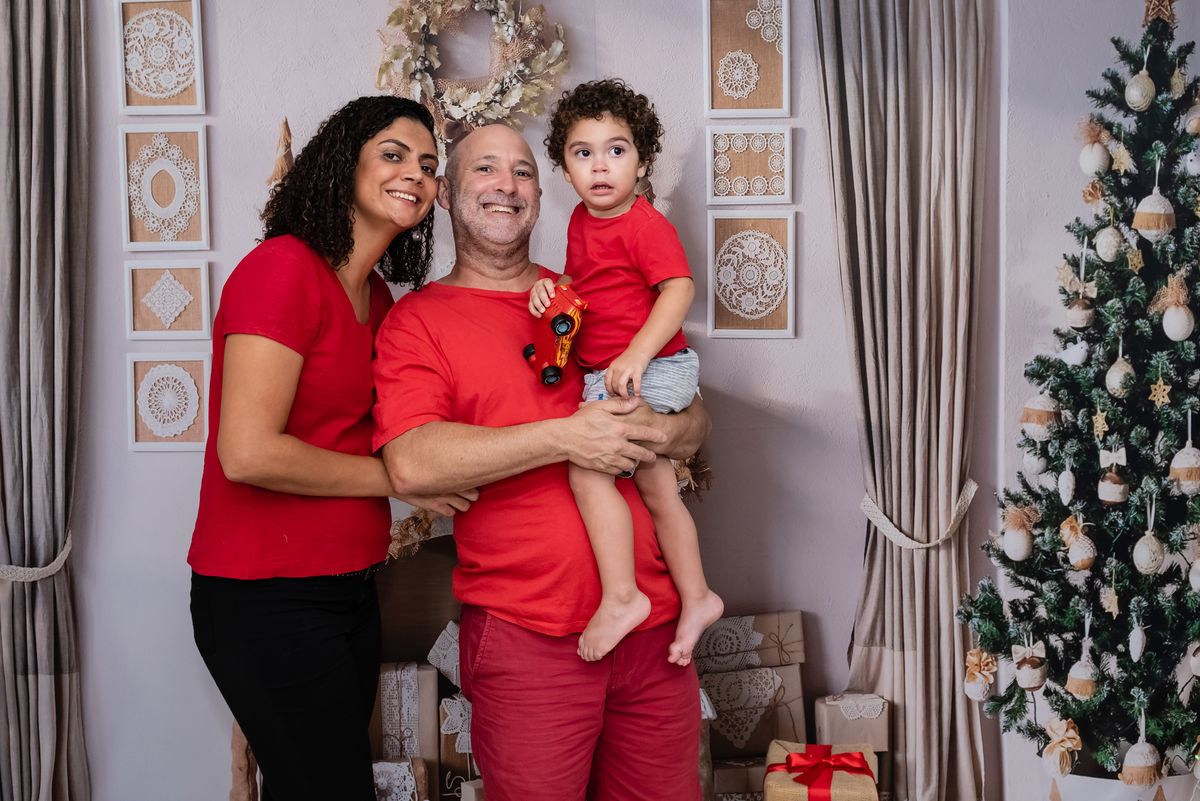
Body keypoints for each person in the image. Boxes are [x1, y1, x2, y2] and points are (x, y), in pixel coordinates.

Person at [373, 123, 710, 800]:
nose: (507, 185)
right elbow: (412, 463)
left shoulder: (584, 295)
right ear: (446, 193)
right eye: (485, 169)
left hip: (655, 631)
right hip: (528, 637)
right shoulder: (418, 322)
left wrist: (655, 427)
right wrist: (564, 437)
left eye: (523, 171)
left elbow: (694, 420)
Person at [187, 96, 477, 800]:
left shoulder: (376, 297)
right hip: (265, 594)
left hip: (349, 585)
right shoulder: (282, 270)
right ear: (344, 163)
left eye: (429, 165)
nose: (416, 174)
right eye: (394, 154)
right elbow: (247, 453)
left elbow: (396, 426)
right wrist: (396, 478)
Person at [530, 79, 724, 664]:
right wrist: (552, 288)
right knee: (660, 492)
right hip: (617, 371)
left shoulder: (644, 224)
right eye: (582, 153)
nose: (600, 165)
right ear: (565, 169)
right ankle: (698, 597)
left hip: (655, 367)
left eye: (616, 150)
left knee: (588, 471)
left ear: (641, 163)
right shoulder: (582, 222)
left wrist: (637, 354)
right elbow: (587, 285)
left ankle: (621, 597)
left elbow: (678, 289)